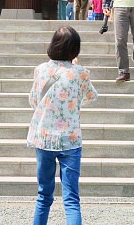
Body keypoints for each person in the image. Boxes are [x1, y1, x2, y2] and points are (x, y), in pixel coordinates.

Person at [28, 26, 98, 225]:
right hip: (71, 140)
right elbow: (92, 97)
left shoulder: (40, 70)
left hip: (44, 138)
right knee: (71, 199)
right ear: (74, 49)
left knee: (43, 196)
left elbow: (34, 101)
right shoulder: (80, 73)